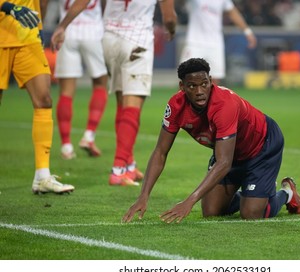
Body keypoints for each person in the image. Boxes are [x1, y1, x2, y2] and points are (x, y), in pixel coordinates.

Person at [122, 58, 300, 224]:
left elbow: (224, 162)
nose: (200, 91)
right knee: (211, 211)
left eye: (204, 84)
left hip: (261, 146)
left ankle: (286, 193)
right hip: (229, 151)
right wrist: (143, 196)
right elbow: (160, 152)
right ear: (182, 87)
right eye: (192, 86)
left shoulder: (224, 105)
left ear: (211, 81)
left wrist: (189, 201)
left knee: (251, 214)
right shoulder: (175, 106)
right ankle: (253, 194)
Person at [51, 0, 177, 186]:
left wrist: (62, 26)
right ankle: (118, 169)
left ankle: (129, 164)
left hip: (109, 40)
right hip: (137, 41)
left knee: (122, 104)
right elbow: (169, 17)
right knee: (132, 109)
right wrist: (171, 29)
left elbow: (82, 1)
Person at [0, 0, 75, 194]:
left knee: (44, 100)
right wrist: (8, 7)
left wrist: (39, 27)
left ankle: (42, 175)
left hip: (27, 36)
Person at [54, 0, 108, 160]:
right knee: (100, 84)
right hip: (92, 32)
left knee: (66, 92)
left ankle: (66, 147)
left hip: (67, 34)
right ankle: (89, 136)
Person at [179, 0, 257, 85]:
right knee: (187, 77)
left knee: (215, 80)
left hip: (215, 44)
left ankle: (212, 99)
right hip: (195, 43)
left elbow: (233, 12)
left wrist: (247, 32)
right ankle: (182, 99)